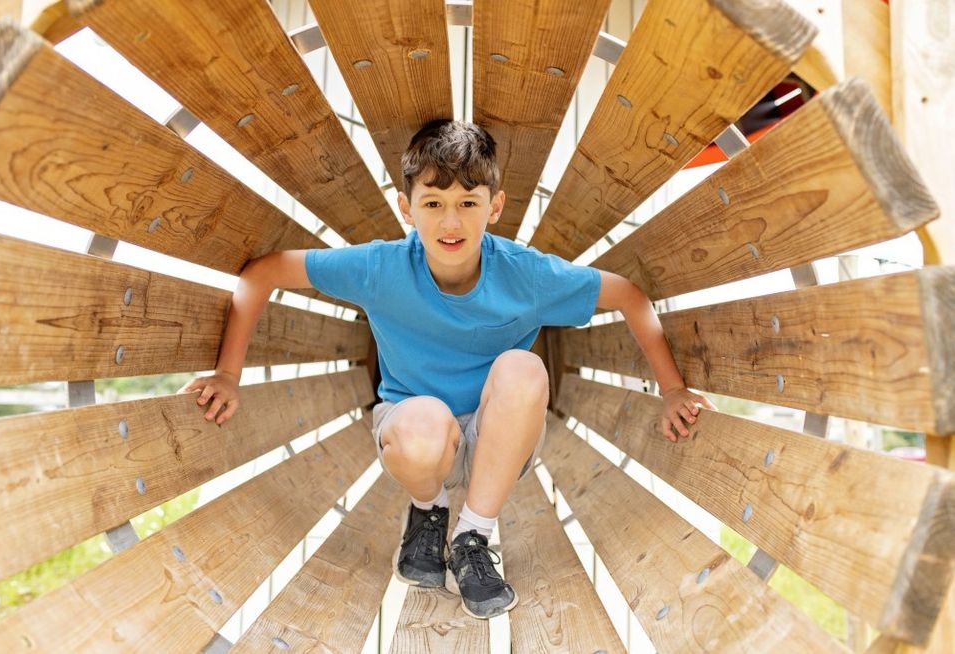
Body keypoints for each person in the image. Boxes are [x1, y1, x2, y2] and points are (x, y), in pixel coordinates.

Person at [180, 119, 714, 619]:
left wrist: (671, 389)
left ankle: (472, 538)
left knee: (523, 369)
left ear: (495, 205)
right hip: (416, 440)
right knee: (425, 421)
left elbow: (628, 296)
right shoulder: (379, 268)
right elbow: (264, 272)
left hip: (497, 442)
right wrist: (229, 373)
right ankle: (428, 513)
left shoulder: (524, 275)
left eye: (468, 202)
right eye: (432, 203)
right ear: (406, 208)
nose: (451, 221)